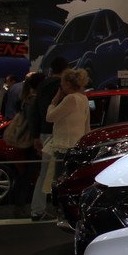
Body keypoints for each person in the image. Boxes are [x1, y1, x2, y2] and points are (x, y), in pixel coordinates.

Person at [41, 68, 91, 205]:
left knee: (59, 181)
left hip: (64, 146)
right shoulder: (83, 98)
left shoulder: (70, 98)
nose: (61, 86)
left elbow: (50, 117)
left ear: (68, 84)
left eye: (62, 83)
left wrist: (54, 101)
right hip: (76, 146)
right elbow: (87, 125)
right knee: (71, 181)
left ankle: (60, 209)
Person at [28, 56, 68, 221]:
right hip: (58, 134)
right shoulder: (62, 87)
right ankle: (55, 210)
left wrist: (36, 135)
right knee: (60, 173)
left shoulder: (42, 85)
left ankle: (38, 210)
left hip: (44, 133)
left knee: (45, 173)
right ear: (65, 70)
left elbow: (34, 112)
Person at [9, 73, 44, 218]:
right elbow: (33, 123)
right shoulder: (33, 101)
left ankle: (20, 205)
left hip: (28, 141)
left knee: (27, 173)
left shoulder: (25, 99)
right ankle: (19, 206)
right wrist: (37, 138)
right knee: (28, 173)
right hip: (31, 142)